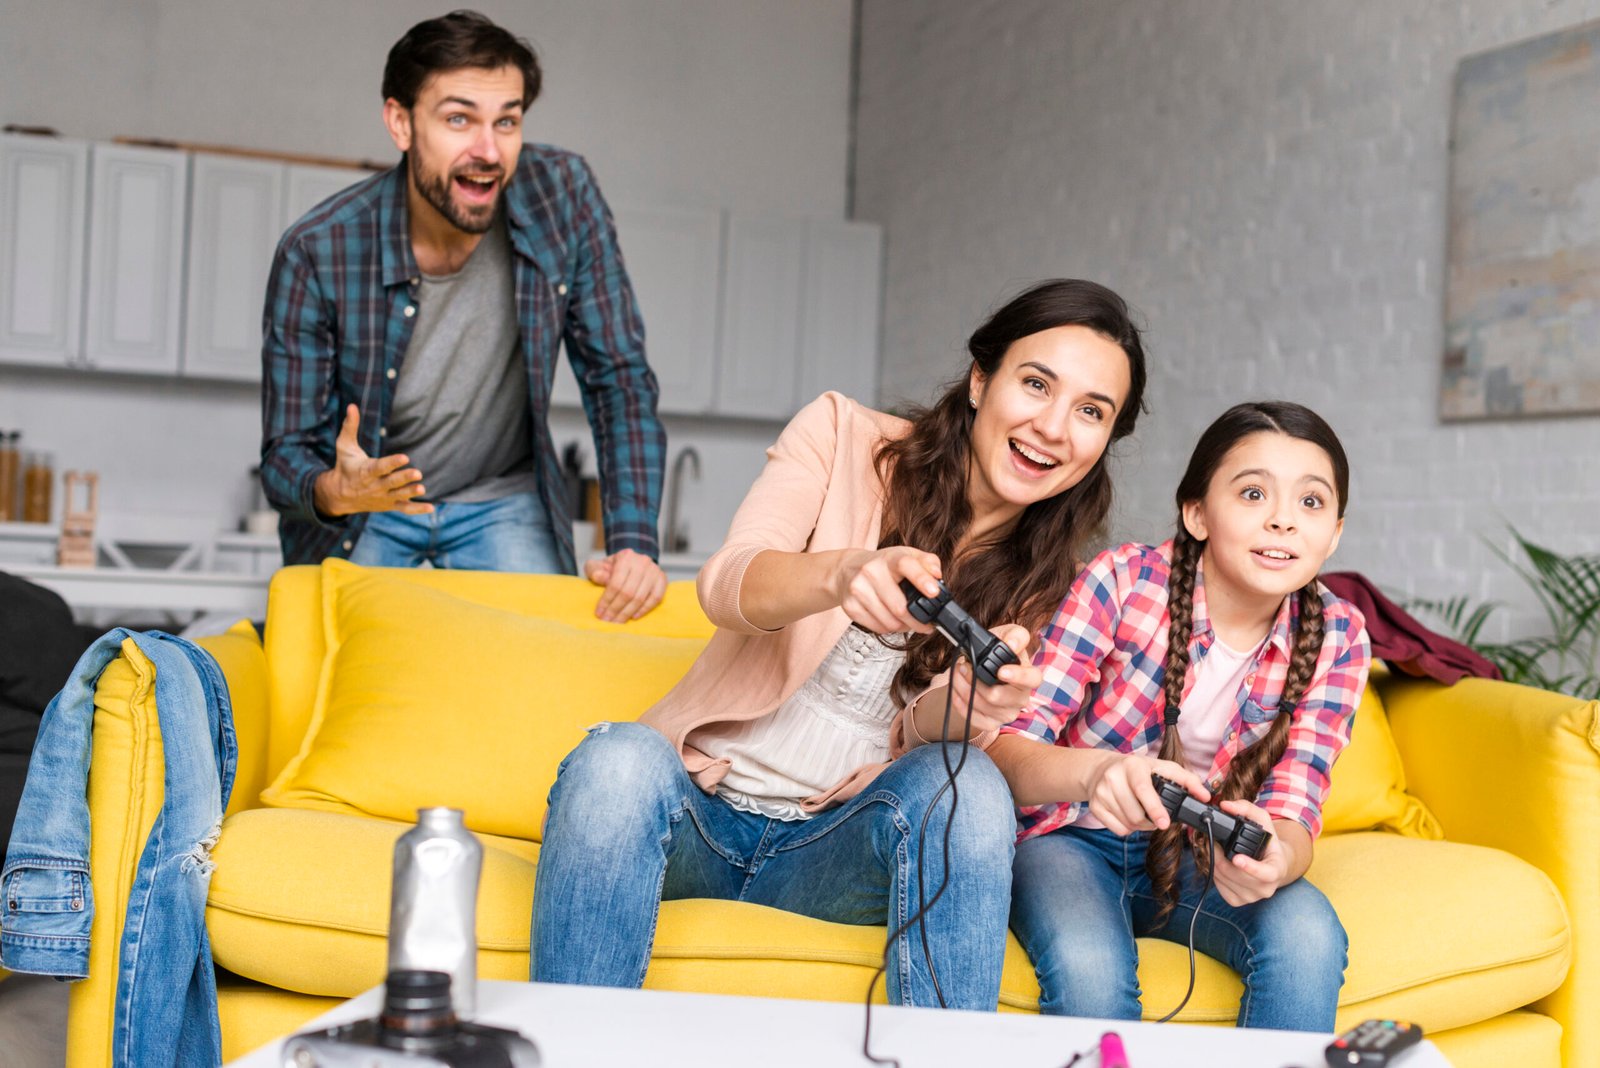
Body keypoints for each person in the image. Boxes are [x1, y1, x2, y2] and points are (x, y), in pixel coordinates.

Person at [531, 278, 1149, 1009]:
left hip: (840, 847)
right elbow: (728, 584)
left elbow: (929, 743)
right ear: (982, 380)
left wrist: (969, 705)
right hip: (701, 813)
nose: (1053, 426)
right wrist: (842, 575)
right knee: (615, 759)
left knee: (968, 784)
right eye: (1036, 384)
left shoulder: (1057, 585)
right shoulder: (840, 435)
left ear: (1107, 439)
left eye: (1090, 411)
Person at [259, 10, 667, 621]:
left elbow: (619, 379)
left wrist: (634, 541)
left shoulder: (563, 194)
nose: (488, 150)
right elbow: (284, 454)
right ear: (401, 123)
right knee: (340, 681)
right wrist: (334, 491)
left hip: (503, 496)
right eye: (458, 119)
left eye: (507, 121)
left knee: (541, 673)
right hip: (373, 510)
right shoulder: (317, 249)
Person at [991, 401, 1371, 1031]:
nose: (1283, 521)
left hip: (1200, 852)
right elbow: (1007, 748)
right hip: (1068, 838)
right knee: (1089, 970)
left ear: (1333, 533)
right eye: (1253, 493)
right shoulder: (1122, 583)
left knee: (1306, 934)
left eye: (1311, 503)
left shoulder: (1338, 635)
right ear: (1196, 513)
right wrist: (1098, 774)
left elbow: (1297, 801)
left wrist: (1278, 857)